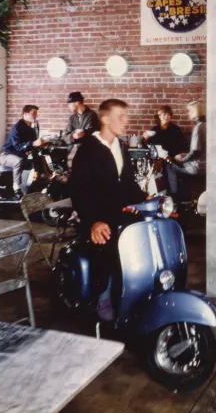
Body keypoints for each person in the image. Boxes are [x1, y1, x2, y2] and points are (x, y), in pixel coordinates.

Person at [69, 98, 146, 320]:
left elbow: (128, 184)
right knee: (111, 251)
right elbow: (79, 191)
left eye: (126, 115)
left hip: (119, 215)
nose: (126, 120)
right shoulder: (88, 150)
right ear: (104, 119)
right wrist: (93, 221)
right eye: (121, 116)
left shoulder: (120, 147)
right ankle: (103, 298)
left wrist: (147, 198)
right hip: (97, 220)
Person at [0, 104, 46, 193]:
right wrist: (33, 143)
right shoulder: (16, 127)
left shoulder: (32, 128)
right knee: (18, 161)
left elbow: (32, 144)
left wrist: (40, 144)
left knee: (40, 159)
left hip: (21, 155)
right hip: (7, 155)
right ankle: (16, 186)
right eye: (33, 113)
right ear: (25, 114)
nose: (35, 116)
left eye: (36, 113)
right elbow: (18, 147)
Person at [166, 100, 206, 200]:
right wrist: (186, 154)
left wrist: (182, 160)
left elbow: (195, 152)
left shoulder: (198, 127)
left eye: (189, 111)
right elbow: (199, 150)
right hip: (206, 165)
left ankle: (173, 198)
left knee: (170, 166)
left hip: (198, 167)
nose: (187, 113)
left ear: (196, 111)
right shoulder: (206, 125)